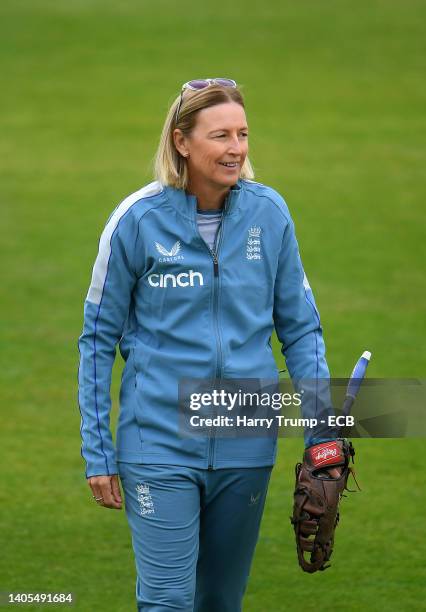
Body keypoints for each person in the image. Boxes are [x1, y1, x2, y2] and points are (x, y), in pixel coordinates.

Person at [77, 78, 339, 612]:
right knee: (168, 600)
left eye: (243, 134)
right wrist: (98, 450)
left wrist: (322, 434)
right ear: (181, 141)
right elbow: (97, 339)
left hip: (246, 436)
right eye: (220, 135)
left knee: (220, 600)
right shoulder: (136, 221)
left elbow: (302, 330)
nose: (236, 148)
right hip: (159, 442)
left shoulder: (270, 214)